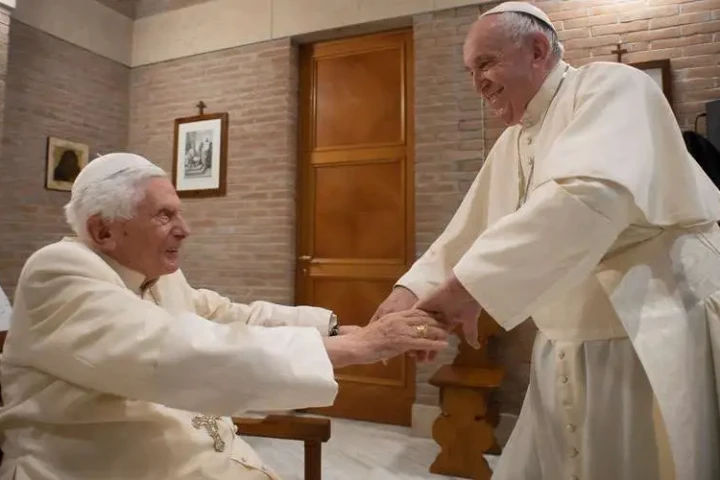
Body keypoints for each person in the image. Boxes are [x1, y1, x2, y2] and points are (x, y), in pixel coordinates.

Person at [371, 2, 720, 480]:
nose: (478, 83)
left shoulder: (611, 87)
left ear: (537, 50)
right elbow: (469, 230)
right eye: (471, 71)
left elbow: (588, 197)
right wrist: (409, 292)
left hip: (649, 328)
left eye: (486, 63)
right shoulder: (513, 141)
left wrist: (464, 290)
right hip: (564, 343)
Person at [0, 152, 449, 480]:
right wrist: (356, 348)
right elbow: (175, 351)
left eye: (180, 213)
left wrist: (335, 328)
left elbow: (227, 315)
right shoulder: (58, 270)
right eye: (164, 216)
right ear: (103, 230)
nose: (185, 229)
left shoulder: (154, 273)